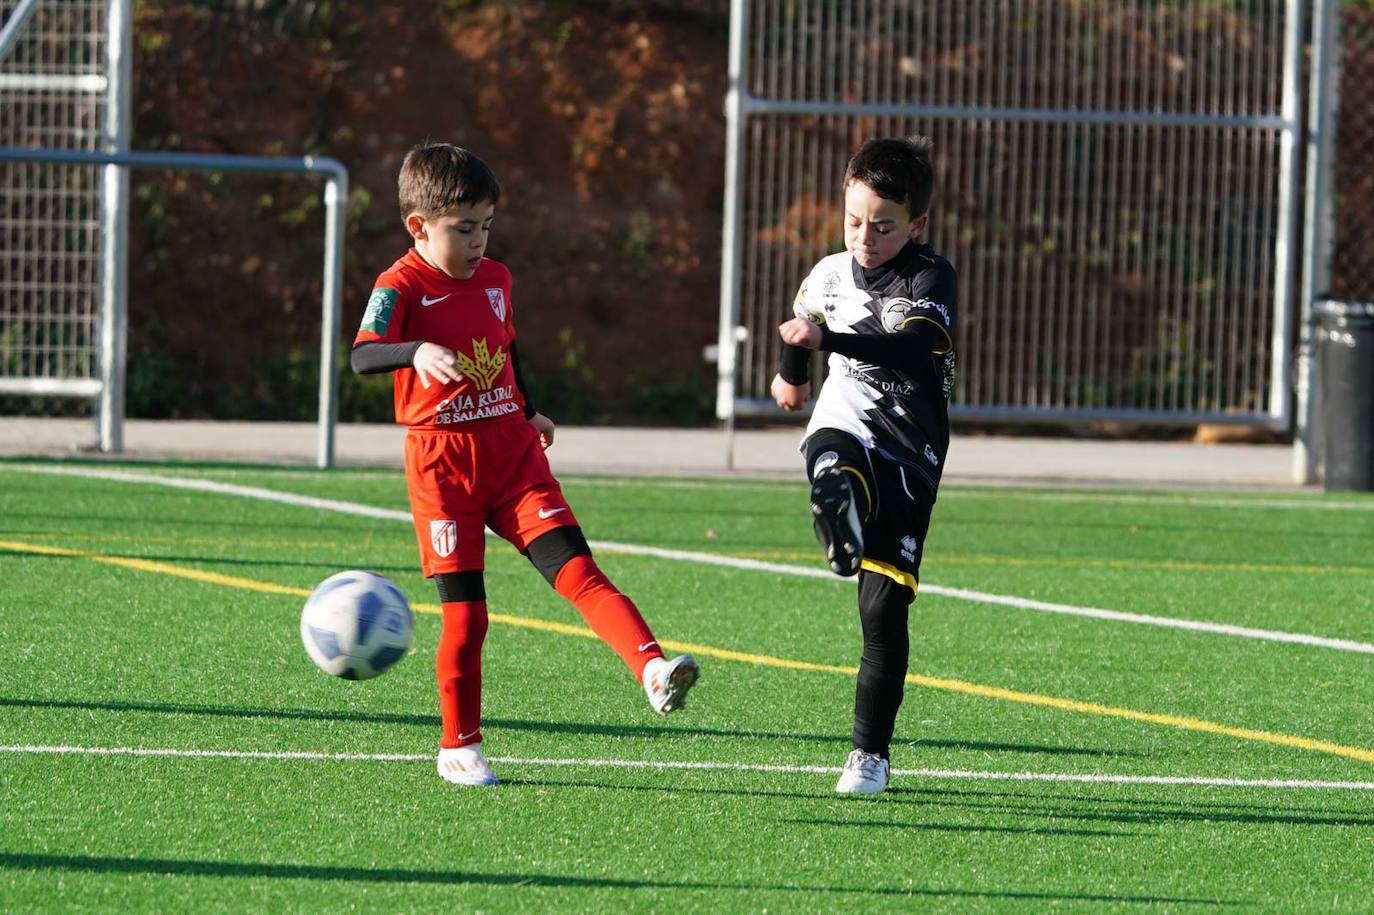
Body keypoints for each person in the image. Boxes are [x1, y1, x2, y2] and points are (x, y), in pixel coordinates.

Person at [352, 142, 699, 787]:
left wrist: (529, 408)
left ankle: (652, 668)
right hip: (442, 467)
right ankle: (459, 746)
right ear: (417, 227)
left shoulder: (497, 279)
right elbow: (364, 356)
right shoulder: (397, 285)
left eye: (486, 225)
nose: (479, 241)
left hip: (512, 454)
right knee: (467, 614)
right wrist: (415, 350)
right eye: (463, 229)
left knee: (579, 572)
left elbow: (507, 351)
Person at [769, 135, 956, 795]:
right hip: (846, 417)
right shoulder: (826, 273)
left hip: (911, 449)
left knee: (882, 611)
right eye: (853, 220)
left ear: (916, 225)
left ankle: (868, 755)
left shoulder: (930, 277)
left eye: (883, 225)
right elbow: (801, 321)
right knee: (829, 453)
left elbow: (908, 351)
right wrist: (792, 377)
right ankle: (836, 506)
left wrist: (826, 341)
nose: (865, 237)